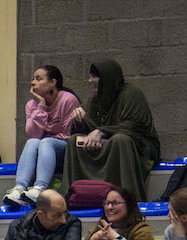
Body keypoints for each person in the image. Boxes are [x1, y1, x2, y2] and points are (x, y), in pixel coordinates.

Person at [64, 58, 160, 203]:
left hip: (137, 147)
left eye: (94, 76)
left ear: (106, 77)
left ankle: (126, 198)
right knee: (74, 141)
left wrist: (102, 131)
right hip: (105, 145)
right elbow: (90, 126)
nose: (90, 80)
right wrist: (80, 121)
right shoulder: (95, 99)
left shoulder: (131, 93)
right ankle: (76, 197)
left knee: (120, 140)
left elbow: (134, 126)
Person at [3, 65, 80, 206]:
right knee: (32, 142)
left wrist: (48, 139)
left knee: (46, 142)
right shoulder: (31, 105)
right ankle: (19, 188)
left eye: (38, 79)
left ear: (53, 83)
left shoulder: (68, 100)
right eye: (33, 79)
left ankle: (39, 187)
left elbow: (68, 134)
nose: (33, 82)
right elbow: (34, 135)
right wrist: (42, 105)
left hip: (65, 151)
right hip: (43, 149)